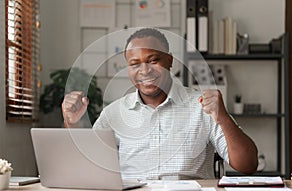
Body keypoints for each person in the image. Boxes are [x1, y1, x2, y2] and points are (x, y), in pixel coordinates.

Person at [62, 28, 258, 180]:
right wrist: (73, 123)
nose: (144, 70)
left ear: (170, 60)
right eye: (135, 64)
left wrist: (223, 118)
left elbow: (248, 165)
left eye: (153, 60)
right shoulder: (113, 114)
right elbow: (87, 169)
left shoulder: (203, 107)